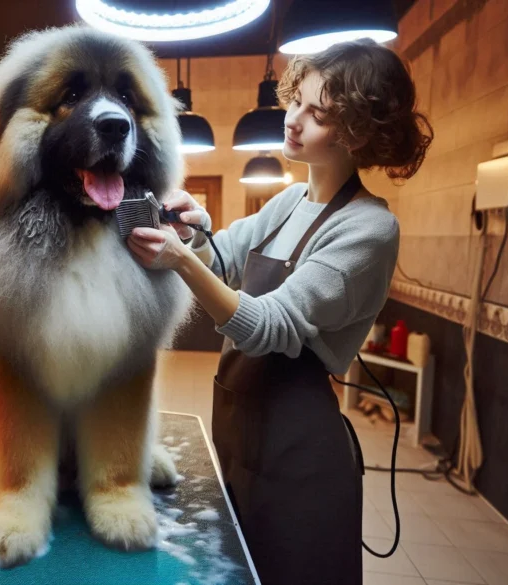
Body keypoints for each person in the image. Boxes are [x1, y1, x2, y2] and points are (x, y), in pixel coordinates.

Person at [128, 39, 432, 584]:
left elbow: (268, 325)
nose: (293, 120)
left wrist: (179, 260)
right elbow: (222, 260)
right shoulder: (289, 201)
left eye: (318, 114)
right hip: (241, 431)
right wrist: (195, 230)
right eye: (297, 102)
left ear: (359, 131)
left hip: (300, 451)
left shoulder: (369, 228)